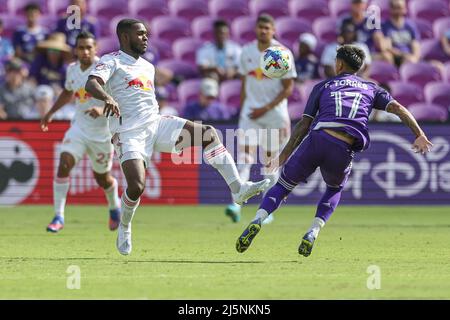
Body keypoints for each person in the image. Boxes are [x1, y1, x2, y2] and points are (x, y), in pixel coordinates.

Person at [84, 19, 269, 256]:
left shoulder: (148, 67)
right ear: (125, 36)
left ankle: (238, 189)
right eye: (140, 33)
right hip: (129, 133)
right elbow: (92, 84)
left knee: (208, 134)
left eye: (146, 33)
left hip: (156, 125)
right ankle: (125, 225)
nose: (145, 37)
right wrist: (107, 98)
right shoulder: (111, 61)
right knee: (136, 186)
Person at [235, 45, 433, 257]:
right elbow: (399, 109)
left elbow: (303, 124)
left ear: (338, 64)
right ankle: (312, 232)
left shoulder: (323, 86)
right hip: (343, 147)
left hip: (318, 139)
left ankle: (257, 220)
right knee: (334, 190)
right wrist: (419, 134)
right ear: (361, 67)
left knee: (283, 186)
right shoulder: (372, 88)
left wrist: (283, 156)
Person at [40, 31, 121, 233]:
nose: (85, 51)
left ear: (96, 49)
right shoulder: (72, 69)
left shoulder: (104, 70)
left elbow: (118, 100)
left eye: (89, 47)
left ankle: (114, 206)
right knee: (64, 163)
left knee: (102, 179)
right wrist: (50, 112)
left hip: (102, 134)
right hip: (78, 129)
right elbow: (68, 92)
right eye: (81, 48)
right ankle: (58, 216)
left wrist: (102, 110)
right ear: (75, 50)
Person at [224, 14, 297, 223]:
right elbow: (246, 83)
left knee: (270, 162)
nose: (263, 31)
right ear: (255, 29)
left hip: (273, 115)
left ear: (273, 30)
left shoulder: (282, 53)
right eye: (260, 27)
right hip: (250, 114)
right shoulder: (246, 52)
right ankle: (236, 204)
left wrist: (264, 108)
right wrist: (243, 107)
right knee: (244, 157)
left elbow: (288, 88)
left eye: (267, 27)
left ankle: (267, 209)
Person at [382, 0, 421, 67]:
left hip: (410, 57)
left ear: (405, 9)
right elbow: (387, 47)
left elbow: (416, 45)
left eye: (400, 7)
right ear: (390, 9)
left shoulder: (410, 26)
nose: (397, 10)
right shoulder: (385, 26)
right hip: (396, 58)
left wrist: (415, 58)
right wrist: (404, 55)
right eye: (395, 7)